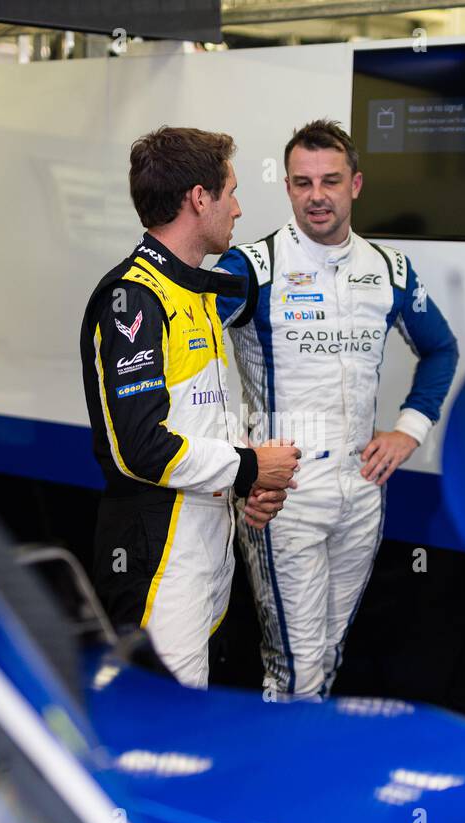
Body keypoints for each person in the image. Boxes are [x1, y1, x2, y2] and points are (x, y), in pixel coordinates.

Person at [215, 119, 459, 700]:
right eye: (302, 183)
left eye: (329, 180)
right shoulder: (251, 267)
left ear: (356, 184)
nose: (316, 196)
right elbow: (187, 360)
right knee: (293, 669)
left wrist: (408, 430)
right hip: (285, 490)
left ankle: (305, 776)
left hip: (361, 485)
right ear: (288, 187)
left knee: (327, 656)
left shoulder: (390, 269)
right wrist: (237, 455)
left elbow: (441, 348)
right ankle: (284, 786)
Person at [80, 127, 301, 687]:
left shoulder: (195, 290)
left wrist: (243, 481)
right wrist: (252, 467)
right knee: (159, 732)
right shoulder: (133, 298)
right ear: (199, 199)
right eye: (231, 191)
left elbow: (197, 419)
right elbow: (143, 449)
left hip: (206, 537)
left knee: (186, 721)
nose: (239, 207)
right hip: (156, 549)